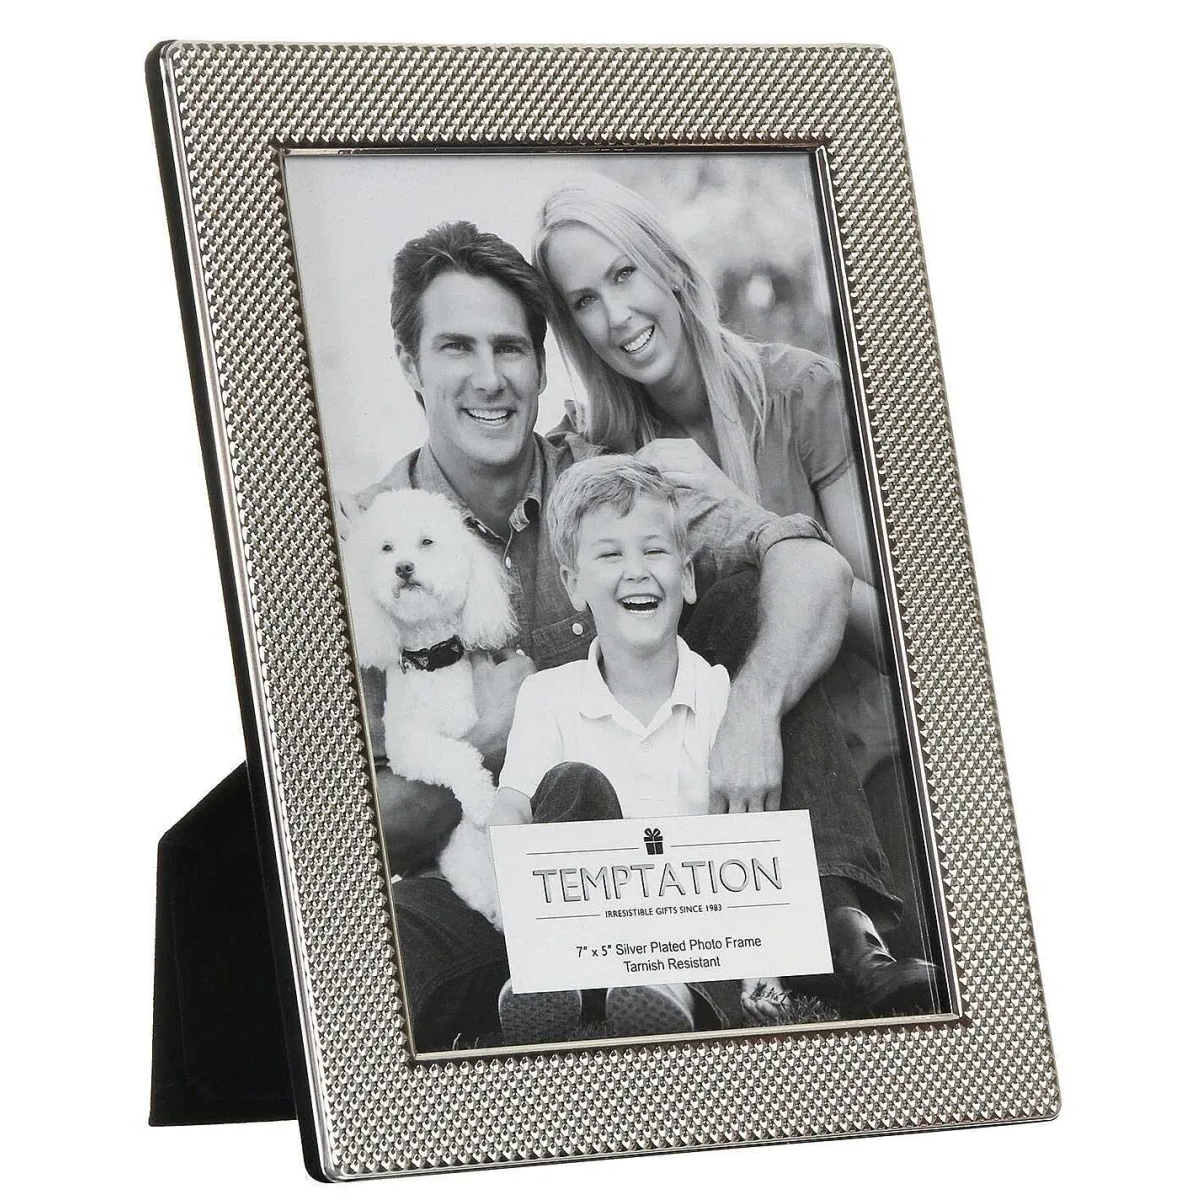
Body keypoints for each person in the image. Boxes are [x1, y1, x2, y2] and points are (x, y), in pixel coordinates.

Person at [348, 219, 933, 1051]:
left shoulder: (618, 479)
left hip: (682, 857)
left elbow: (810, 570)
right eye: (455, 348)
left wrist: (752, 709)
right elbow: (346, 827)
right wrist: (489, 741)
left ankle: (841, 931)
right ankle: (545, 1004)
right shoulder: (367, 545)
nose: (490, 378)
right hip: (501, 883)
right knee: (380, 949)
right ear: (410, 364)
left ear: (541, 365)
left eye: (510, 349)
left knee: (748, 604)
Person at [533, 174, 934, 959]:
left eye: (624, 274)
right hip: (714, 790)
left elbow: (901, 642)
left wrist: (744, 521)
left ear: (669, 266)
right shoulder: (606, 462)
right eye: (584, 301)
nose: (616, 317)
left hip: (867, 757)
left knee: (925, 953)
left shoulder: (801, 393)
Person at [490, 455, 793, 1043]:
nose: (636, 571)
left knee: (713, 933)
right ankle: (551, 978)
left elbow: (750, 842)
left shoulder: (721, 696)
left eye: (654, 551)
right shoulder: (547, 695)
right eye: (609, 555)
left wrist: (766, 963)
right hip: (586, 925)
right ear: (573, 585)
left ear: (687, 575)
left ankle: (666, 993)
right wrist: (515, 879)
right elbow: (513, 806)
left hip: (691, 931)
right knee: (572, 783)